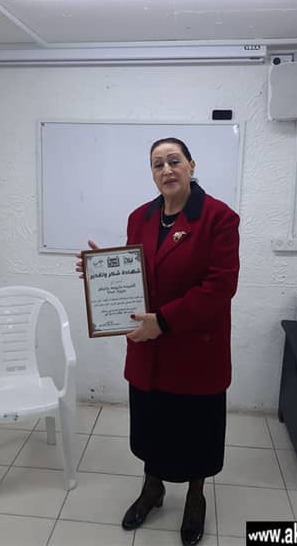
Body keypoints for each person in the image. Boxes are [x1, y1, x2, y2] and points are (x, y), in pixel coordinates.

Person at [76, 137, 239, 546]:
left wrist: (163, 322)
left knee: (197, 432)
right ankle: (153, 489)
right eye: (157, 164)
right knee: (152, 427)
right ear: (151, 173)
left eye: (174, 161)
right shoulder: (140, 217)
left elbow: (220, 287)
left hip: (195, 350)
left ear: (191, 166)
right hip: (149, 351)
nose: (166, 169)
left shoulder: (219, 217)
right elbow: (140, 271)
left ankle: (196, 498)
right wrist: (101, 272)